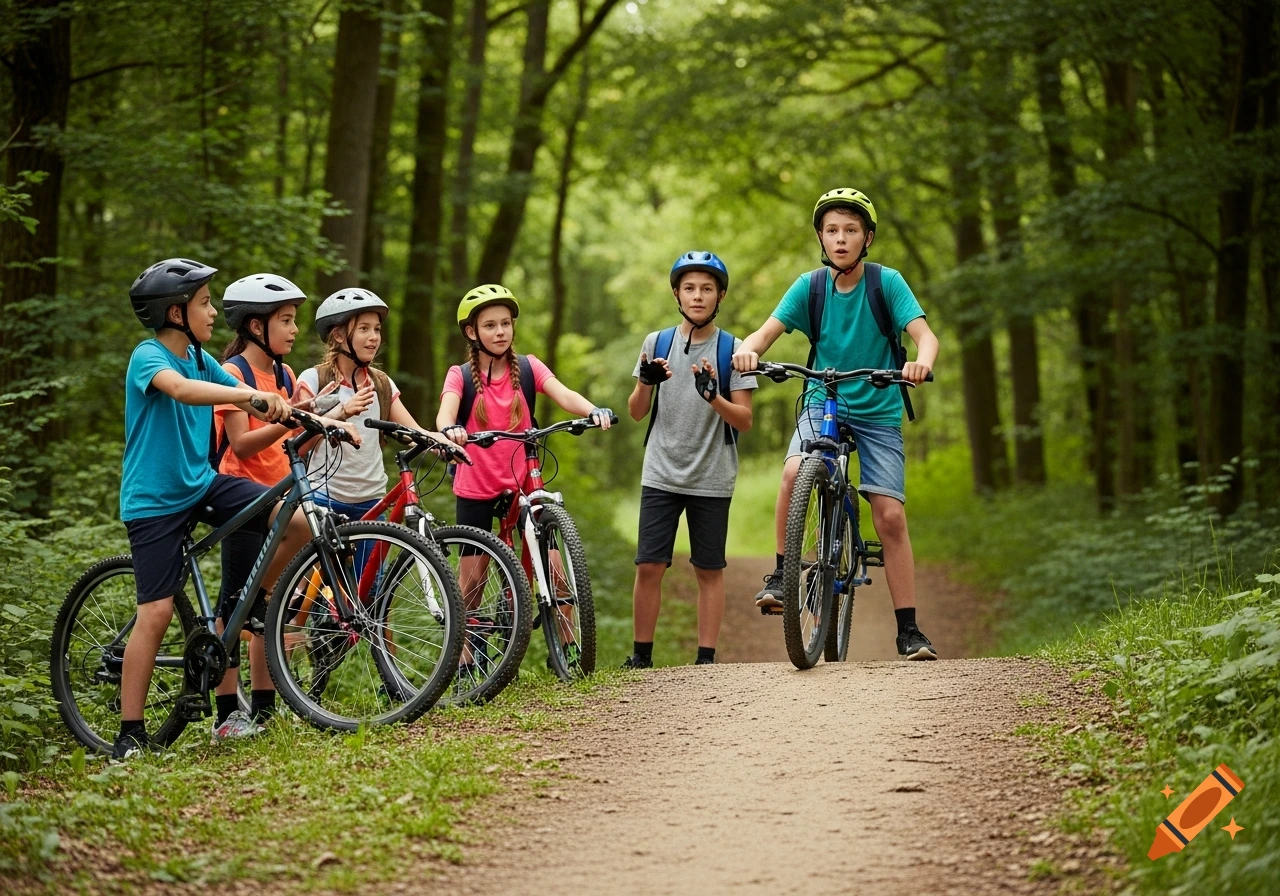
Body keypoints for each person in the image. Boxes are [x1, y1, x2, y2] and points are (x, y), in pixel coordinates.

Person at [115, 258, 333, 759]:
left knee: (293, 518)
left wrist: (302, 413)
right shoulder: (149, 357)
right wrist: (248, 393)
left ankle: (248, 602)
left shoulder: (199, 356)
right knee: (157, 609)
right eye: (204, 303)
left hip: (201, 484)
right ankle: (130, 732)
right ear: (175, 312)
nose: (213, 313)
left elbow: (253, 402)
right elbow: (185, 392)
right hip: (154, 501)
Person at [731, 188, 941, 660]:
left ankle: (908, 629)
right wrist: (748, 350)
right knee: (792, 472)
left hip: (879, 408)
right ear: (821, 239)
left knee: (889, 514)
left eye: (851, 230)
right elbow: (763, 334)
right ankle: (783, 577)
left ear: (867, 239)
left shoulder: (886, 284)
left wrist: (920, 364)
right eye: (832, 231)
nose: (841, 239)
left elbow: (925, 337)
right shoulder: (810, 287)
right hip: (822, 399)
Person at [437, 284, 613, 675]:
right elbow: (445, 413)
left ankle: (566, 649)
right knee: (473, 581)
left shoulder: (530, 368)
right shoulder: (461, 375)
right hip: (477, 483)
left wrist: (593, 410)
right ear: (472, 332)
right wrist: (449, 430)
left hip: (523, 480)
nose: (500, 332)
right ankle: (466, 659)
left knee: (554, 563)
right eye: (490, 325)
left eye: (505, 324)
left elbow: (563, 394)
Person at [622, 252, 755, 669]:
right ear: (677, 294)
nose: (698, 296)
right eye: (690, 288)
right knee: (649, 565)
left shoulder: (733, 349)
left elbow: (745, 420)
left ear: (720, 296)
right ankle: (641, 656)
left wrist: (713, 395)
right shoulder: (656, 343)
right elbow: (637, 412)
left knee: (708, 569)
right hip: (661, 470)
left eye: (707, 289)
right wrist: (645, 383)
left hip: (711, 474)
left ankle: (706, 660)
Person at [210, 273, 314, 741]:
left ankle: (266, 710)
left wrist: (323, 418)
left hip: (276, 497)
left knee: (263, 602)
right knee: (236, 600)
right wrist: (288, 415)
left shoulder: (287, 376)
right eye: (285, 321)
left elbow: (291, 445)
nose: (294, 330)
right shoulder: (232, 375)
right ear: (255, 326)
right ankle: (226, 713)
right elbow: (243, 444)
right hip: (240, 495)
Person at [294, 288, 451, 523]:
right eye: (364, 329)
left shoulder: (381, 383)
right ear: (338, 335)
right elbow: (297, 447)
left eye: (377, 329)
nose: (374, 337)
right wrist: (341, 413)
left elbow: (413, 432)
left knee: (372, 562)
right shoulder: (314, 379)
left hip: (373, 501)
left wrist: (442, 443)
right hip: (324, 498)